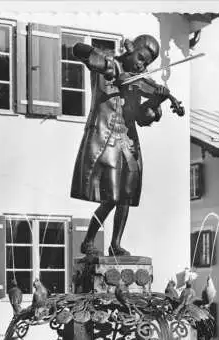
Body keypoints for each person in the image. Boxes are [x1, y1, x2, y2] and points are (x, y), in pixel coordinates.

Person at [70, 34, 172, 256]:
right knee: (111, 197)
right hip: (106, 139)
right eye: (140, 58)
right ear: (130, 48)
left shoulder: (135, 83)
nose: (141, 65)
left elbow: (142, 118)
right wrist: (110, 66)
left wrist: (156, 100)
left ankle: (115, 244)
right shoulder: (107, 65)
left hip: (128, 143)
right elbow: (78, 49)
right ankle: (88, 240)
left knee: (126, 194)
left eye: (146, 63)